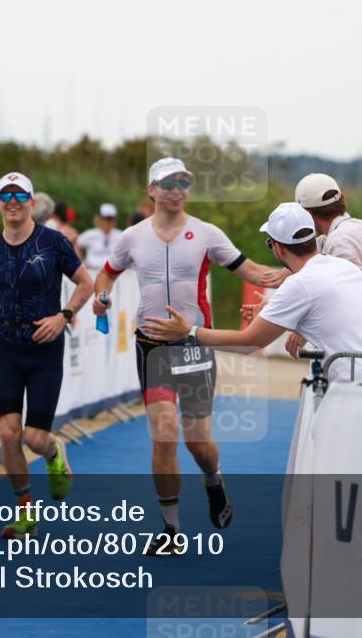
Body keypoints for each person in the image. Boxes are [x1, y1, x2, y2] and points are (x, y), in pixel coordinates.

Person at [91, 156, 275, 555]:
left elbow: (254, 272)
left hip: (194, 344)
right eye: (168, 183)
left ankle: (214, 480)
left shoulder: (207, 233)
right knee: (163, 433)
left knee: (198, 443)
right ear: (151, 190)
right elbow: (106, 272)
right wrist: (101, 297)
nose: (176, 190)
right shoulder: (133, 236)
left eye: (183, 183)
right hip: (152, 346)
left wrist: (303, 272)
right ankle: (171, 530)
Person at [141, 202, 362, 383]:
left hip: (359, 390)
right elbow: (326, 311)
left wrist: (187, 332)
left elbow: (249, 343)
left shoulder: (301, 283)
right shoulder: (342, 267)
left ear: (277, 248)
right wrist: (272, 312)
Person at [0, 172, 93, 540]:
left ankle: (55, 452)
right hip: (7, 347)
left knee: (33, 439)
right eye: (6, 195)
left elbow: (86, 283)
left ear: (31, 202)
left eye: (20, 195)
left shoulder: (53, 242)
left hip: (45, 349)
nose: (13, 201)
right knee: (8, 435)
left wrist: (64, 316)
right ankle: (26, 514)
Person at [272, 173, 362, 372]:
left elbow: (344, 302)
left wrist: (301, 331)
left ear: (307, 215)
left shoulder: (338, 242)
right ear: (343, 198)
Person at [77, 203, 123, 269]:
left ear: (114, 220)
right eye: (105, 218)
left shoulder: (120, 235)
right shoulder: (90, 234)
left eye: (110, 219)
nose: (107, 222)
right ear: (99, 219)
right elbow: (76, 245)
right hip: (91, 271)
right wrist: (80, 263)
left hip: (113, 274)